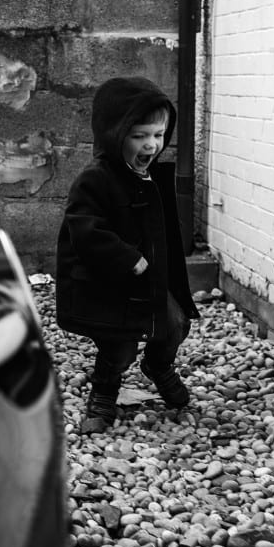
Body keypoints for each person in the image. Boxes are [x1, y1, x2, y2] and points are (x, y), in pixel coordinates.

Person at [55, 76, 200, 434]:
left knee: (175, 324)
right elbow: (84, 228)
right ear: (114, 133)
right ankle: (104, 393)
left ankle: (158, 365)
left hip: (152, 279)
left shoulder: (151, 175)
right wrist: (127, 258)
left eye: (158, 134)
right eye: (140, 136)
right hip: (113, 283)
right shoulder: (97, 178)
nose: (152, 144)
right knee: (118, 346)